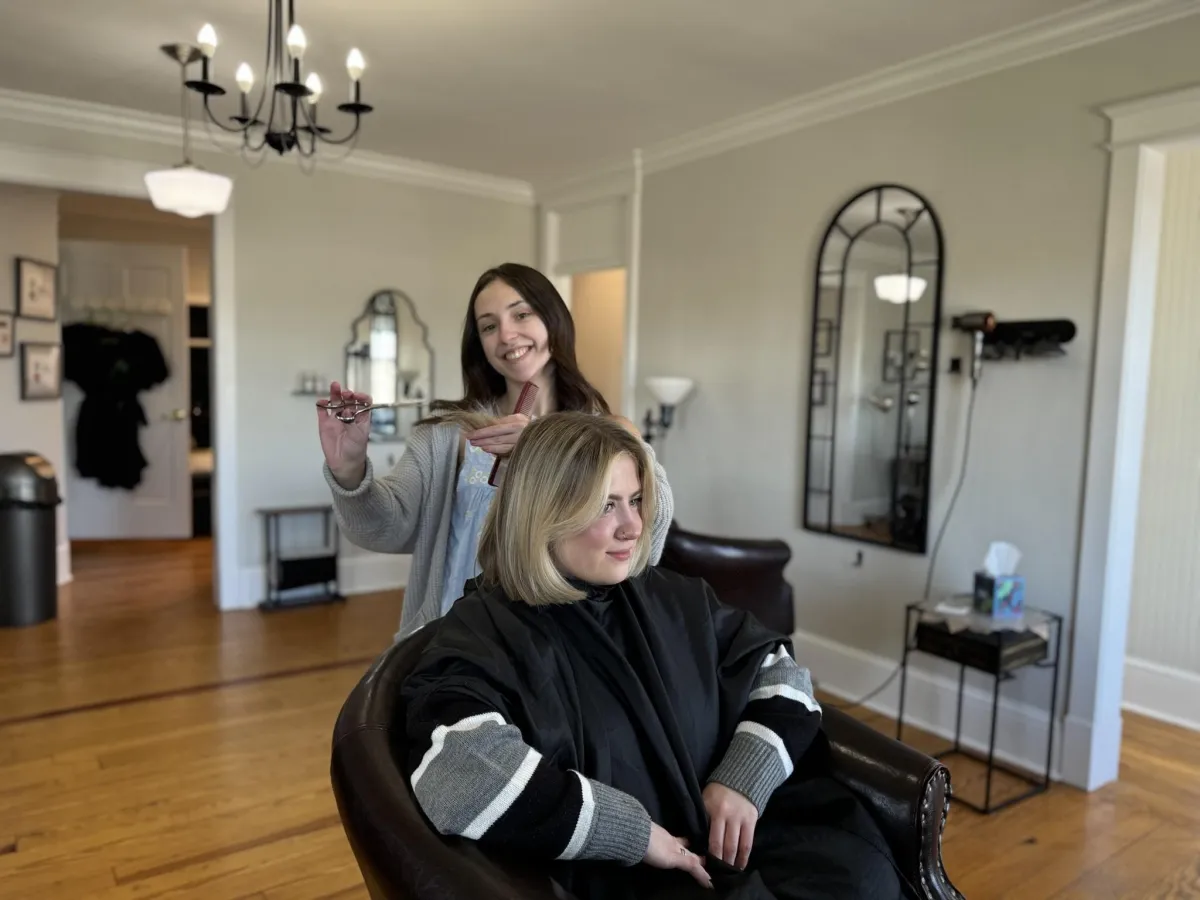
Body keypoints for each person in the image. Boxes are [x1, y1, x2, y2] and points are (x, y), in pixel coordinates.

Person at [400, 413, 909, 900]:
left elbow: (781, 671)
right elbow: (455, 771)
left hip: (739, 838)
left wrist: (743, 779)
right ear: (543, 512)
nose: (633, 527)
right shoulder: (484, 631)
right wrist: (632, 833)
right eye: (605, 506)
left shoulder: (674, 598)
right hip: (628, 875)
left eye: (636, 500)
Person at [317, 263, 674, 641]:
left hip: (563, 647)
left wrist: (545, 449)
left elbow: (651, 533)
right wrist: (350, 468)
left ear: (553, 320)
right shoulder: (447, 434)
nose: (506, 334)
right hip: (454, 645)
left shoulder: (613, 435)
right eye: (489, 326)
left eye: (521, 314)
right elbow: (385, 529)